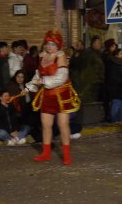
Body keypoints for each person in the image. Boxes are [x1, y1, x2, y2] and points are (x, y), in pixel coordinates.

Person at [22, 30, 81, 165]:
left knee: (62, 124)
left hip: (62, 95)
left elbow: (61, 77)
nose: (50, 46)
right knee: (46, 125)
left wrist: (43, 81)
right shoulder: (42, 57)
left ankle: (66, 155)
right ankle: (46, 153)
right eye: (48, 43)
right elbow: (37, 76)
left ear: (58, 45)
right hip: (48, 96)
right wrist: (28, 88)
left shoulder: (60, 57)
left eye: (53, 44)